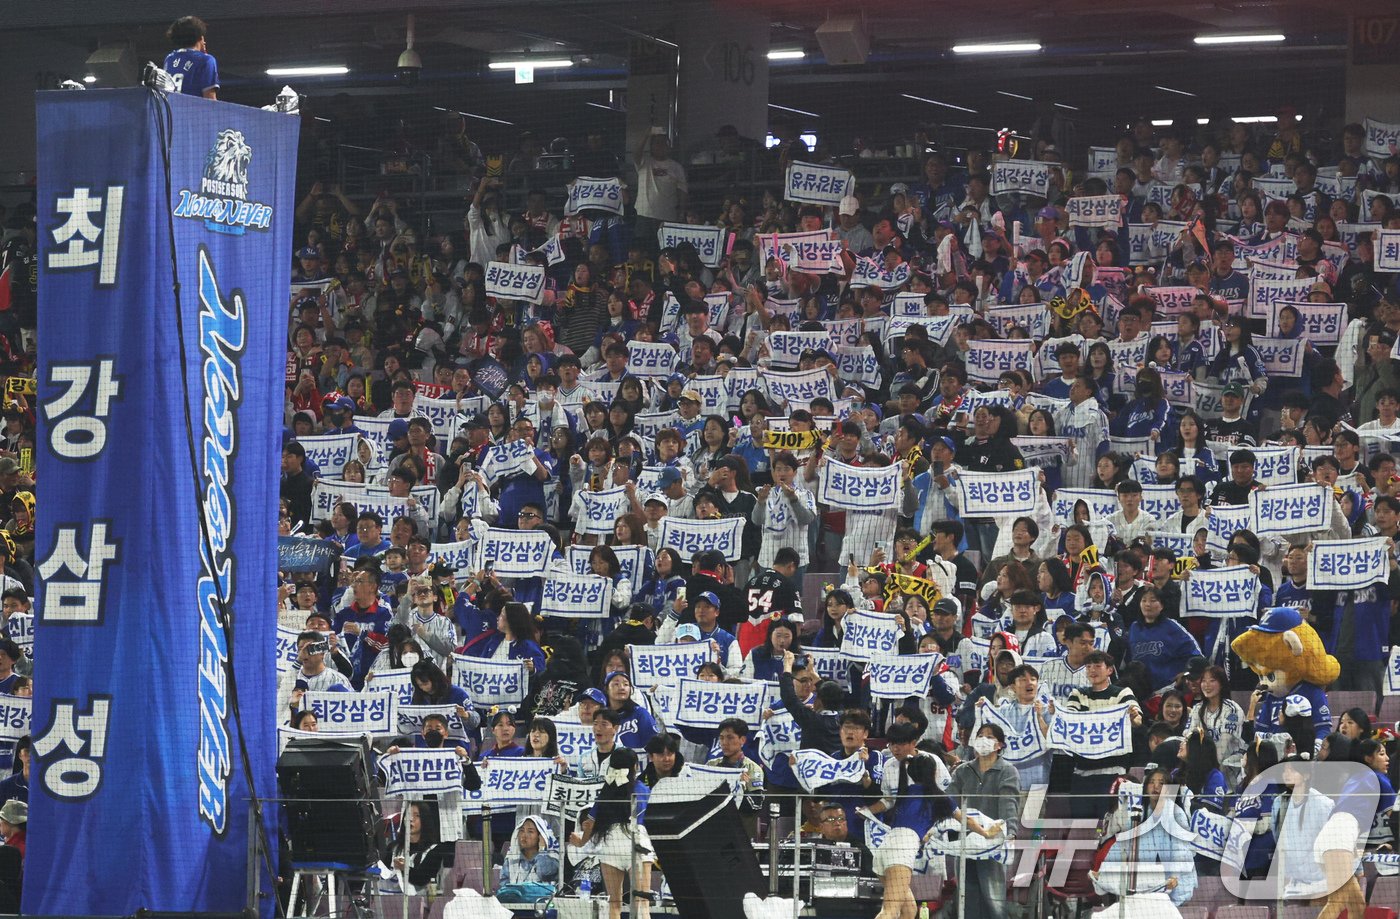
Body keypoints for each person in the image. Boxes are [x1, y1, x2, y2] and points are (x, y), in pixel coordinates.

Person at [943, 723, 1020, 919]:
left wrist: (1009, 832)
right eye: (980, 735)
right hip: (965, 842)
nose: (983, 739)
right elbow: (948, 802)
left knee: (993, 901)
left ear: (999, 745)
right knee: (967, 898)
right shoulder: (963, 771)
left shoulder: (1007, 771)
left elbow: (1008, 803)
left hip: (991, 842)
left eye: (989, 736)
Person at [568, 748, 654, 919]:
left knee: (614, 903)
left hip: (610, 846)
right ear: (635, 766)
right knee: (641, 902)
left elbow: (590, 824)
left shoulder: (606, 792)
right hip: (636, 843)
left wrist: (580, 842)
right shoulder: (642, 789)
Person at [162, 16, 218, 99]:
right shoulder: (207, 60)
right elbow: (210, 100)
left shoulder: (169, 59)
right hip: (194, 111)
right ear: (200, 37)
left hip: (171, 110)